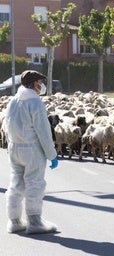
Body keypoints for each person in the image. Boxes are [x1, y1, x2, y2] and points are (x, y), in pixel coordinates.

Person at [3, 70, 59, 234]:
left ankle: (14, 221)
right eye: (39, 83)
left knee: (16, 184)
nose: (41, 86)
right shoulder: (35, 103)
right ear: (33, 84)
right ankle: (35, 222)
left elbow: (7, 126)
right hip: (32, 150)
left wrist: (11, 147)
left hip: (15, 148)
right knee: (35, 184)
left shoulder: (13, 101)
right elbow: (43, 131)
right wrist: (52, 155)